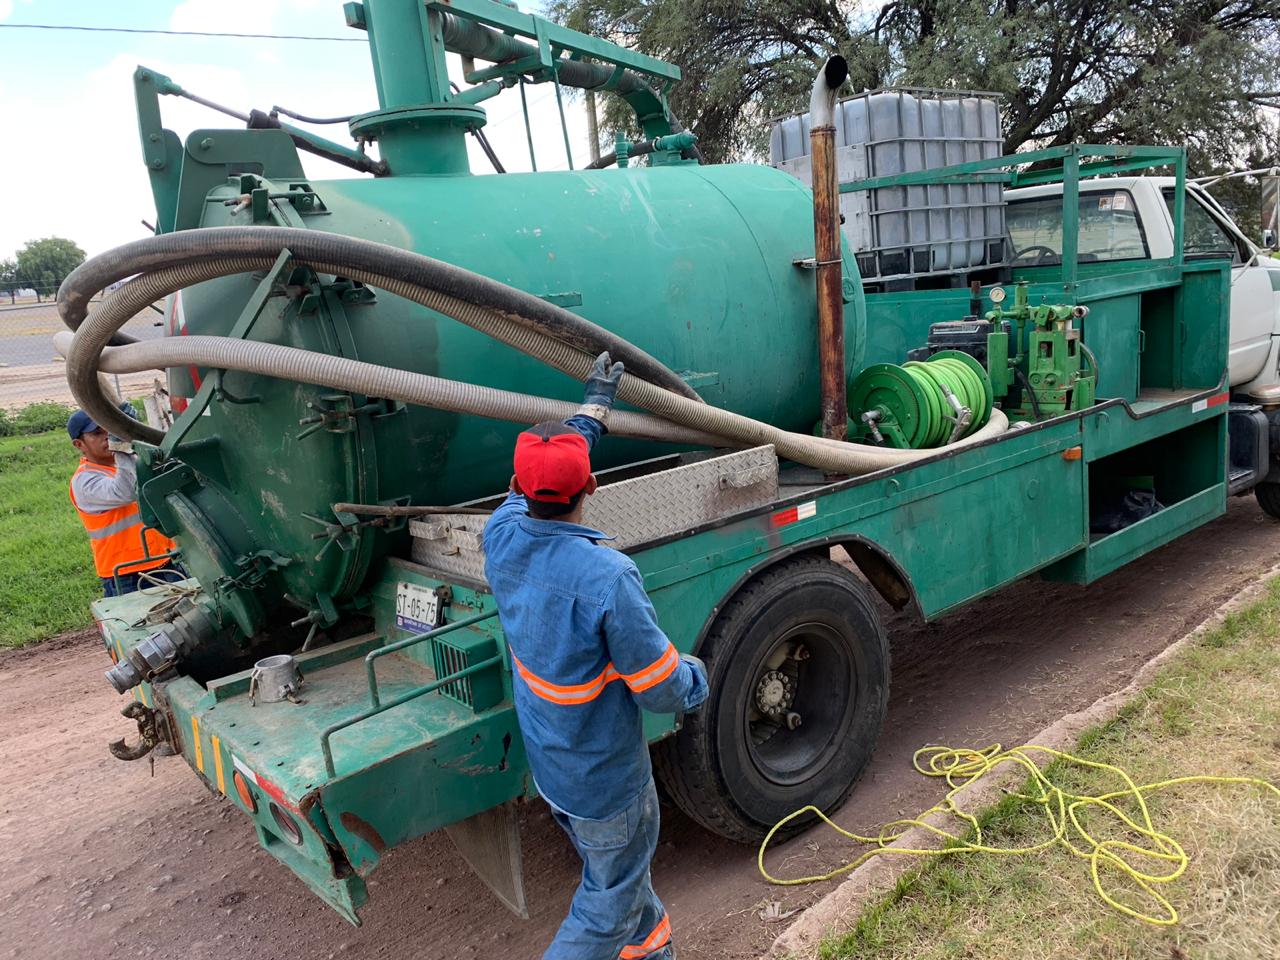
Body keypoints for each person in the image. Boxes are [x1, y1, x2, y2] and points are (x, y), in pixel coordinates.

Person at [483, 353, 709, 960]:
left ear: (516, 489)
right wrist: (697, 679)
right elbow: (660, 688)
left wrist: (591, 412)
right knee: (610, 902)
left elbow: (537, 481)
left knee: (630, 891)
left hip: (554, 769)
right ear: (594, 486)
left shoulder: (500, 536)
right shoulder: (608, 578)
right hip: (608, 780)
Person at [68, 406, 180, 597]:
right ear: (79, 444)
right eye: (97, 433)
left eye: (109, 430)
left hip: (164, 561)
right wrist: (121, 444)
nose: (107, 436)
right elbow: (127, 490)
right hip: (128, 575)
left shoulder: (122, 466)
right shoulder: (84, 482)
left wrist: (131, 434)